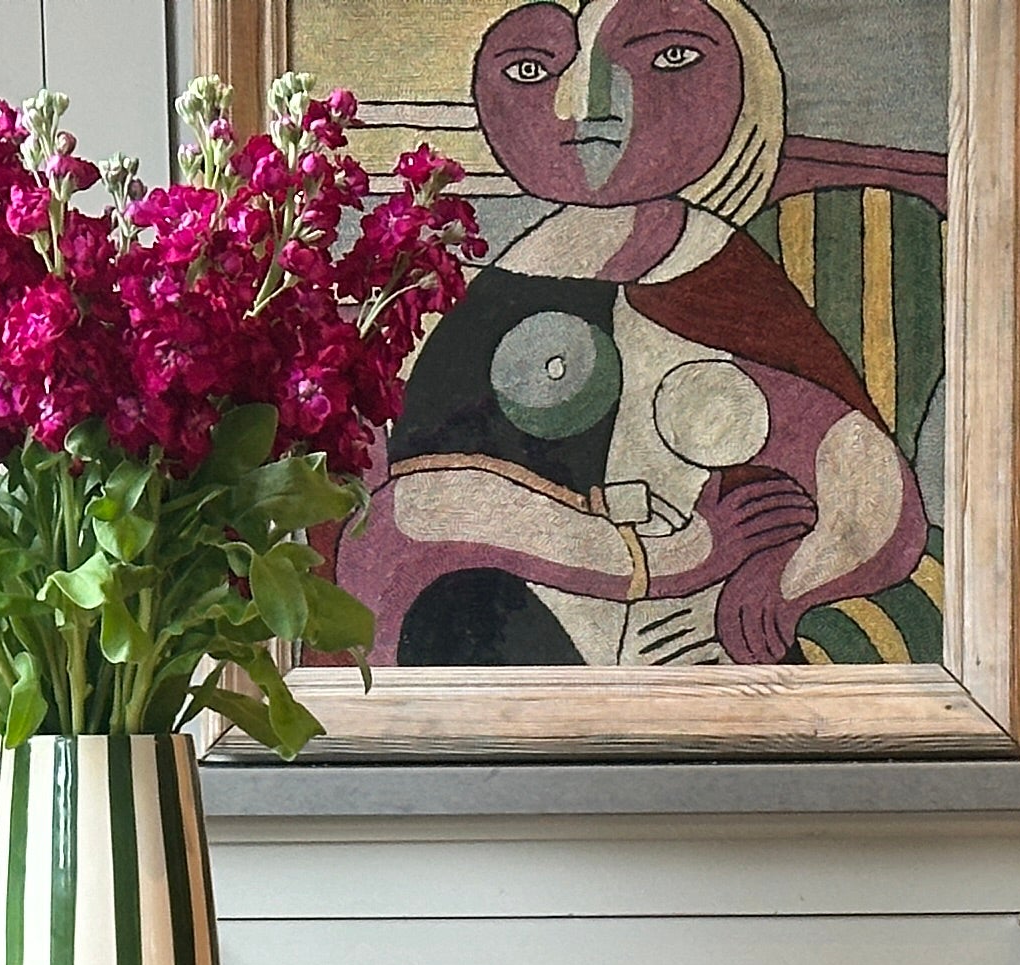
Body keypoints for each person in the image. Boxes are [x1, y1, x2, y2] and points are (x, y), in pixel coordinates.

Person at [341, 0, 928, 669]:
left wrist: (790, 582)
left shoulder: (718, 278)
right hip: (489, 643)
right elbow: (412, 515)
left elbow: (869, 487)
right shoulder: (493, 293)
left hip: (684, 663)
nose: (588, 105)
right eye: (533, 69)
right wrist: (666, 557)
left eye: (670, 59)